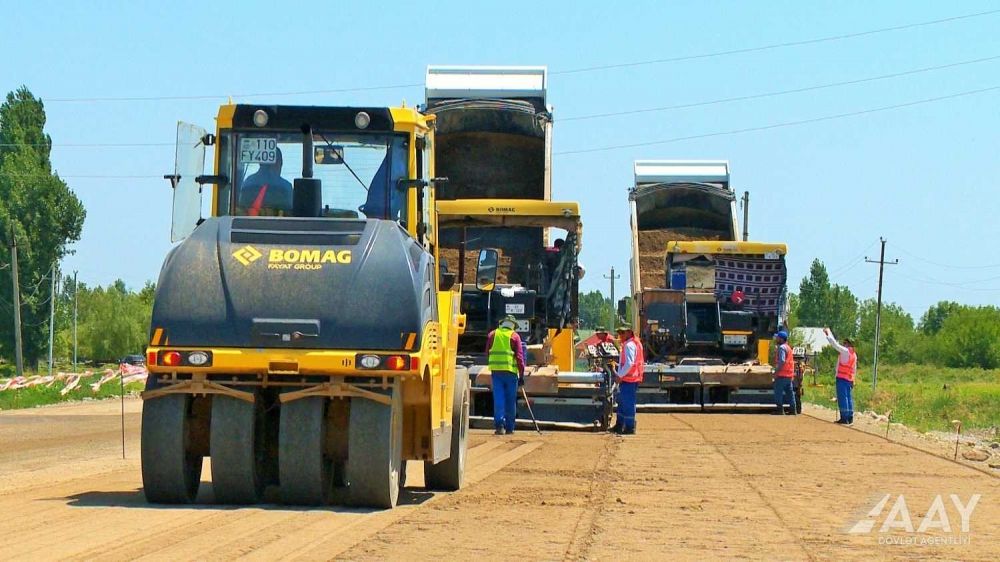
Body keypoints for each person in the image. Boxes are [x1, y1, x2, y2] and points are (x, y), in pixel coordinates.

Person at [486, 315, 526, 435]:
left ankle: (499, 426)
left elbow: (487, 352)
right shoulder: (515, 336)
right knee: (510, 401)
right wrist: (522, 375)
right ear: (513, 325)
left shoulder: (492, 335)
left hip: (496, 372)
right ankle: (510, 428)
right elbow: (520, 358)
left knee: (499, 399)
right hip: (511, 373)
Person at [611, 323, 645, 435]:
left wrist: (620, 376)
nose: (620, 335)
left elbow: (629, 363)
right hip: (629, 378)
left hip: (629, 379)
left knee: (627, 403)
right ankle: (620, 425)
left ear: (629, 332)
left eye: (622, 332)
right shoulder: (631, 344)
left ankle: (629, 427)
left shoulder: (629, 345)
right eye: (619, 332)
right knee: (622, 402)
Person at [239, 148, 293, 215]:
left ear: (260, 162)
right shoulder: (286, 187)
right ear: (278, 163)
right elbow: (289, 215)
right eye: (280, 162)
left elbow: (241, 211)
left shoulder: (247, 183)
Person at [824, 327, 857, 424]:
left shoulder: (846, 351)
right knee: (848, 398)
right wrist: (853, 380)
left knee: (843, 398)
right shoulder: (854, 354)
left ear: (848, 343)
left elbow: (834, 344)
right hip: (849, 379)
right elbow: (854, 369)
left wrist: (828, 334)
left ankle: (844, 418)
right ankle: (850, 417)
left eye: (845, 343)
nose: (843, 344)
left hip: (842, 378)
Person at [772, 330, 797, 415]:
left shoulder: (782, 348)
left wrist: (776, 371)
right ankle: (793, 410)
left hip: (782, 375)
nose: (776, 339)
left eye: (778, 337)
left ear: (781, 339)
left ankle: (780, 410)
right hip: (789, 375)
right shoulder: (788, 347)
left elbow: (782, 361)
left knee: (778, 393)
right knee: (790, 393)